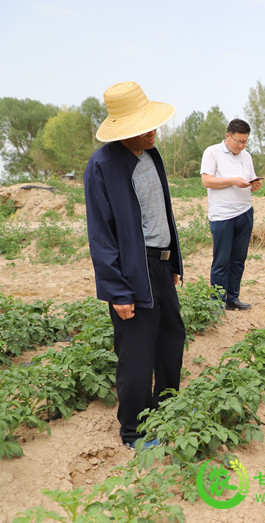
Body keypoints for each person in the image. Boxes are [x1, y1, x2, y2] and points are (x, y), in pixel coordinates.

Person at [83, 81, 185, 450]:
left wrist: (172, 259)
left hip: (159, 266)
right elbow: (102, 236)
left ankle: (166, 410)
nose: (153, 131)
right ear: (125, 129)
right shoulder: (103, 167)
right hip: (131, 273)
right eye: (145, 126)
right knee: (137, 354)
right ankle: (133, 430)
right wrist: (117, 291)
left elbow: (162, 213)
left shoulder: (151, 154)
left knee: (172, 340)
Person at [200, 119, 262, 311]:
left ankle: (233, 298)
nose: (241, 145)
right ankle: (217, 301)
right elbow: (207, 181)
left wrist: (254, 186)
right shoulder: (212, 152)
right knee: (222, 260)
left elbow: (248, 181)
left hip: (244, 212)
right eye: (238, 141)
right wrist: (233, 181)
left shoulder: (247, 156)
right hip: (222, 215)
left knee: (238, 259)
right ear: (228, 136)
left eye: (245, 142)